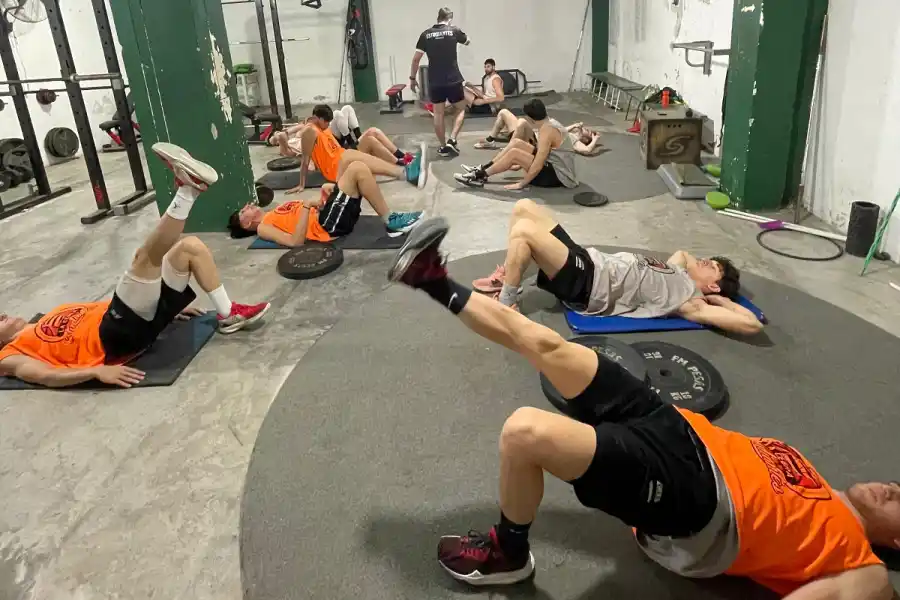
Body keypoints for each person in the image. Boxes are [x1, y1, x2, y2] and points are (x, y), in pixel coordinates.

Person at [387, 217, 896, 598]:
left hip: (699, 501)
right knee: (554, 348)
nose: (893, 488)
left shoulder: (861, 565)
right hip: (681, 430)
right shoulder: (819, 482)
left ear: (895, 542)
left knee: (524, 431)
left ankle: (509, 553)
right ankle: (429, 278)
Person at [0, 143, 271, 389]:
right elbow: (46, 376)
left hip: (127, 318)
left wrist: (163, 305)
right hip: (114, 339)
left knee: (190, 249)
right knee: (145, 258)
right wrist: (94, 372)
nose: (3, 316)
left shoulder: (46, 317)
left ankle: (228, 315)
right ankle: (188, 189)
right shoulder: (11, 355)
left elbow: (104, 308)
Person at [468, 199, 761, 335]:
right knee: (524, 207)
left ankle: (508, 303)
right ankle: (510, 272)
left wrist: (719, 299)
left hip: (589, 284)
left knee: (524, 232)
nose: (706, 260)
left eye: (714, 267)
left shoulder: (690, 303)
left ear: (712, 285)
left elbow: (752, 324)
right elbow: (684, 254)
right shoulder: (678, 271)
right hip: (588, 259)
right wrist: (698, 273)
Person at [227, 161, 423, 244]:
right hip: (326, 227)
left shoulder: (276, 210)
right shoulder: (263, 227)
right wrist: (306, 206)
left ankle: (404, 172)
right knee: (356, 169)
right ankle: (390, 221)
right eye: (243, 211)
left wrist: (323, 197)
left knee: (349, 160)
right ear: (246, 223)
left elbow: (309, 212)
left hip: (327, 215)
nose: (247, 206)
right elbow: (294, 242)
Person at [269, 105, 427, 194]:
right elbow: (304, 161)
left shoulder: (317, 125)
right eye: (326, 122)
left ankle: (405, 165)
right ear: (319, 119)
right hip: (336, 168)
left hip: (342, 156)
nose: (327, 125)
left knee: (370, 138)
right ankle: (405, 169)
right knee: (366, 143)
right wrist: (301, 184)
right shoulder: (310, 132)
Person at [455, 99, 579, 190]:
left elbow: (538, 164)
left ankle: (479, 175)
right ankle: (484, 167)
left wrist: (521, 184)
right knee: (516, 143)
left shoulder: (546, 131)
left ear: (530, 118)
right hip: (555, 166)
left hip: (557, 177)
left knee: (515, 154)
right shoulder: (550, 123)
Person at [409, 7, 470, 157]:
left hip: (435, 80)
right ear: (449, 18)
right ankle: (452, 139)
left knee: (438, 114)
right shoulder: (454, 30)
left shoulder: (426, 34)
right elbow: (467, 41)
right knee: (461, 109)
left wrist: (412, 78)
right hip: (453, 79)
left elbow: (416, 59)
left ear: (438, 18)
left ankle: (443, 146)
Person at [472, 110, 603, 156]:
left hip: (534, 142)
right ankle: (491, 140)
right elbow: (562, 130)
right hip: (533, 136)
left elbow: (586, 150)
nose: (584, 127)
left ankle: (507, 149)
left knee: (522, 122)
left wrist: (595, 138)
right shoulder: (568, 134)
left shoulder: (574, 142)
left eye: (587, 130)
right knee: (503, 113)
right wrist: (576, 126)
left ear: (586, 138)